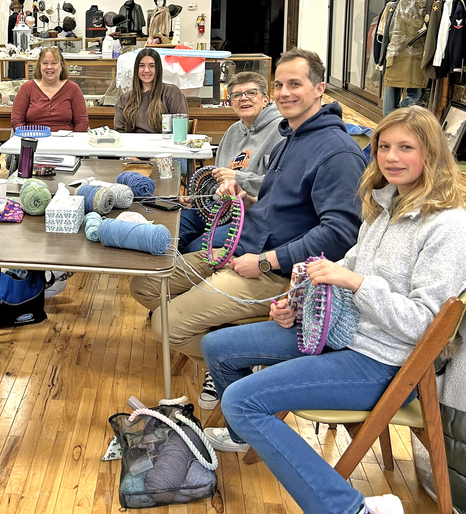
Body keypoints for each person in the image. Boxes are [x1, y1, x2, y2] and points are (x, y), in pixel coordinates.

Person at [200, 106, 466, 514]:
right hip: (344, 334)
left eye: (406, 147)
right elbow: (349, 264)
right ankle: (247, 436)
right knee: (218, 347)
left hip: (385, 361)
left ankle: (349, 508)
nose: (391, 157)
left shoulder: (447, 227)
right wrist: (296, 300)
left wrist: (356, 284)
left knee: (242, 399)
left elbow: (423, 324)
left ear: (432, 153)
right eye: (384, 147)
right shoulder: (386, 206)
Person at [130, 48, 367, 410]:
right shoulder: (292, 137)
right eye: (280, 85)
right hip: (241, 252)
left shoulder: (337, 152)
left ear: (320, 88)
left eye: (295, 84)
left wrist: (267, 261)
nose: (285, 93)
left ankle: (237, 375)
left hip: (279, 275)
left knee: (167, 324)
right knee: (145, 283)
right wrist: (246, 196)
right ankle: (231, 343)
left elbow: (340, 235)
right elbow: (282, 206)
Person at [178, 71, 283, 253]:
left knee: (196, 250)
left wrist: (238, 178)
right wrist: (198, 199)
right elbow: (215, 179)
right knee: (172, 231)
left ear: (265, 99)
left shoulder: (281, 131)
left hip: (253, 216)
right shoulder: (232, 132)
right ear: (231, 103)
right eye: (236, 95)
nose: (243, 99)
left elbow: (280, 186)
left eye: (251, 93)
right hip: (219, 209)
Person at [11, 46, 89, 132]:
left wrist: (74, 141)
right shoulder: (27, 88)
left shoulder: (73, 89)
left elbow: (82, 122)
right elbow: (16, 120)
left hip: (65, 143)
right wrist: (27, 138)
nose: (49, 67)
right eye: (45, 63)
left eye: (54, 63)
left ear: (61, 66)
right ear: (39, 66)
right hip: (33, 141)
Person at [113, 48, 188, 134]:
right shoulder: (124, 99)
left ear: (158, 69)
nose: (146, 70)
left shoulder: (172, 93)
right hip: (132, 146)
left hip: (164, 145)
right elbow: (119, 132)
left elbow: (180, 129)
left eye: (152, 66)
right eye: (141, 65)